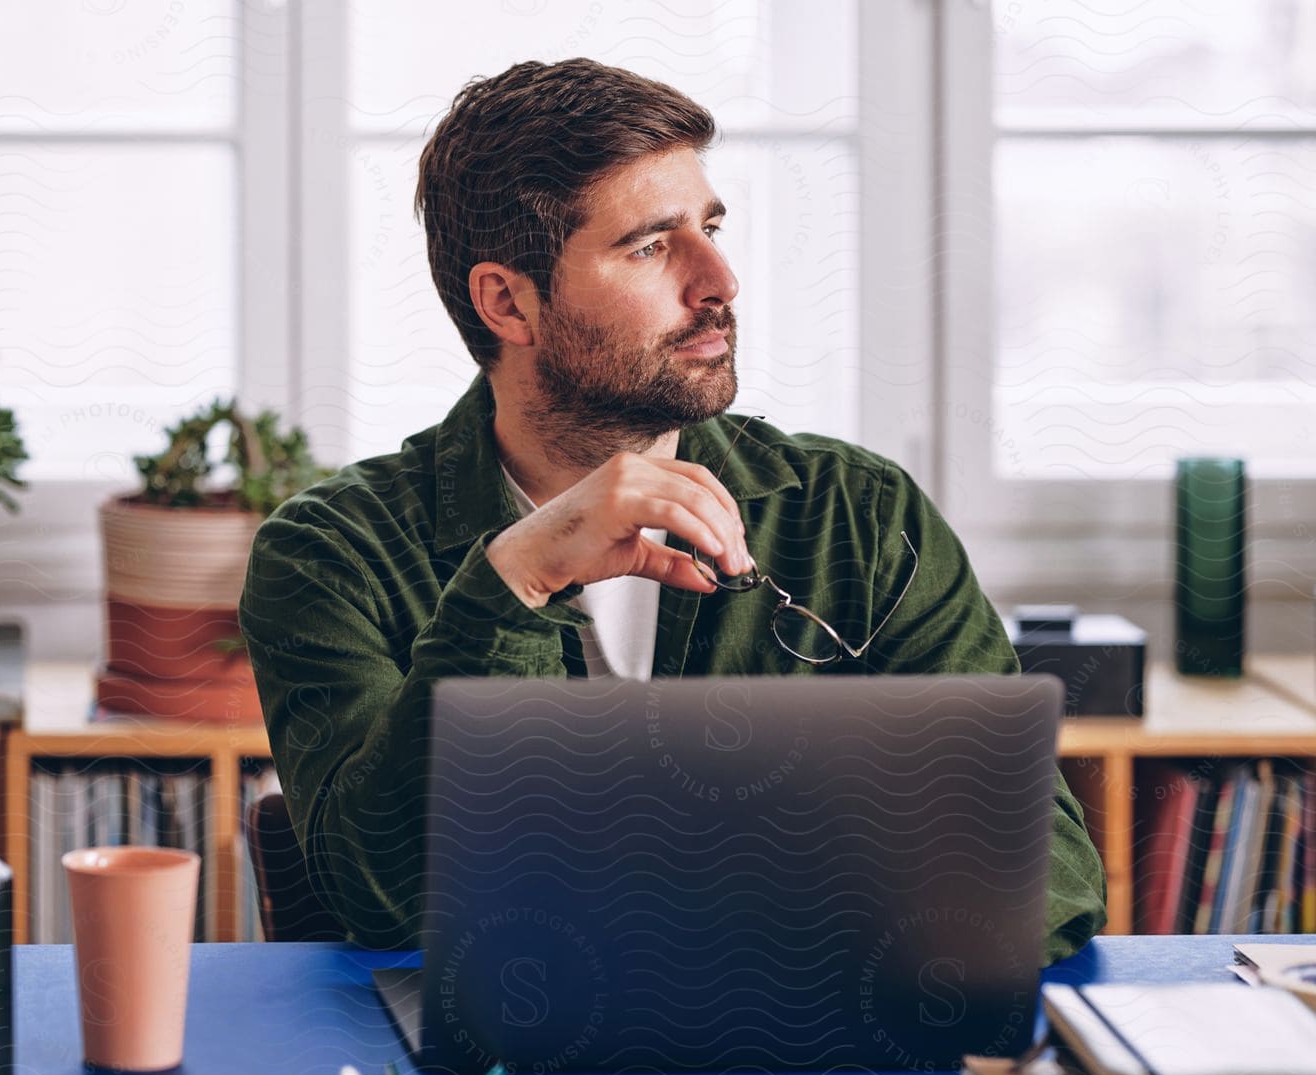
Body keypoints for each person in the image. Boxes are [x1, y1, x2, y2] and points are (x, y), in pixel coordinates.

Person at [239, 58, 1106, 965]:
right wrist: (515, 580)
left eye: (713, 227)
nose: (720, 280)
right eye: (651, 245)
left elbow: (1045, 871)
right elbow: (381, 899)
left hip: (814, 1073)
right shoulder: (330, 551)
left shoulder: (859, 513)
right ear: (508, 301)